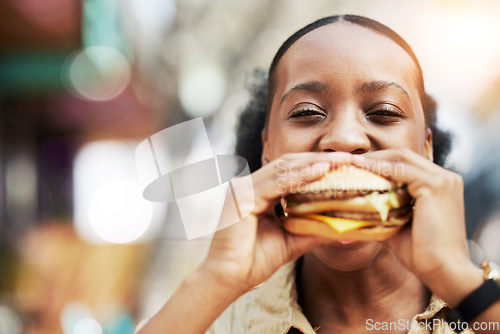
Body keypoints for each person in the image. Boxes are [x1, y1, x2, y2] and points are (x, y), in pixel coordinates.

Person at [138, 15, 500, 334]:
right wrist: (216, 279)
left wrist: (458, 281)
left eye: (384, 111)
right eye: (307, 112)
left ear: (425, 150)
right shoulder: (210, 320)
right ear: (268, 149)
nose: (344, 139)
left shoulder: (483, 302)